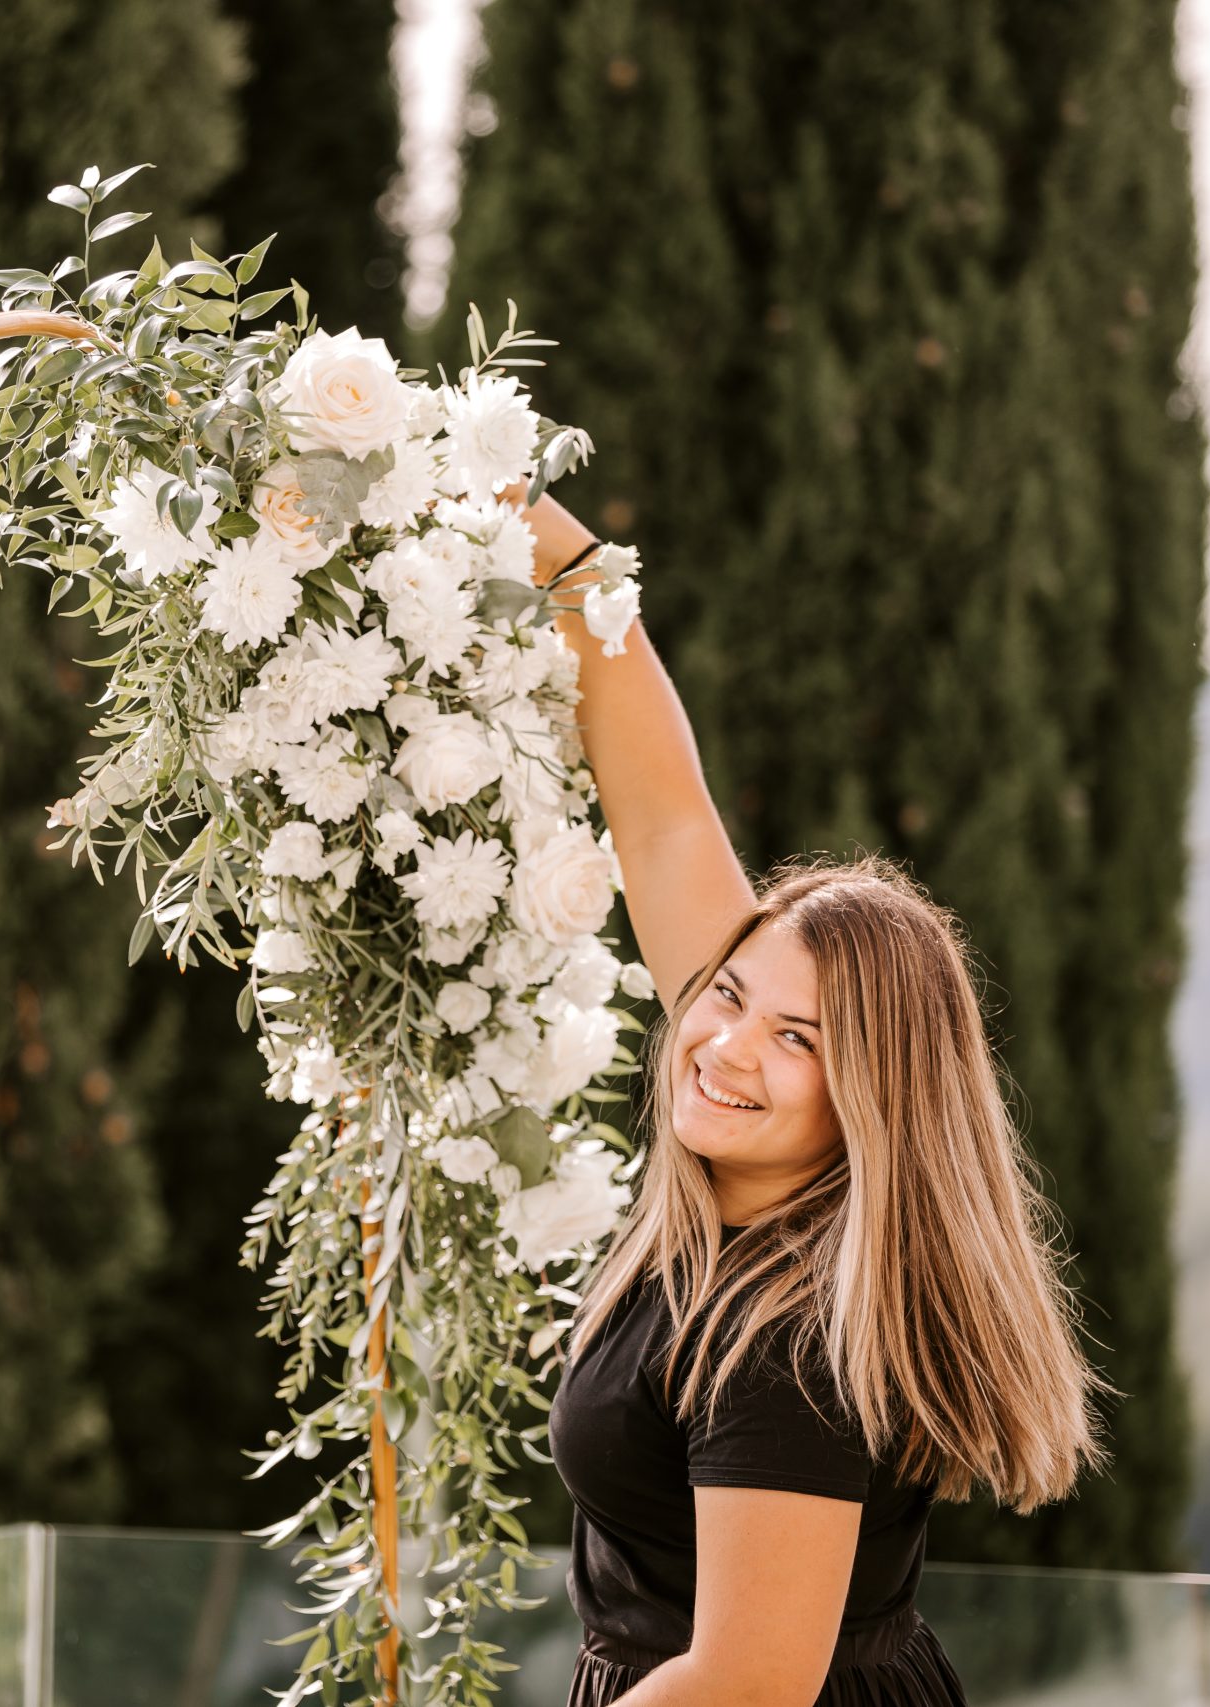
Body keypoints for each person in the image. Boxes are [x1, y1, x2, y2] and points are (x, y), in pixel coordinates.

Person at [499, 483, 1115, 1707]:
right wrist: (521, 514)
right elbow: (661, 819)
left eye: (798, 1039)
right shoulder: (742, 1178)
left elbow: (746, 1679)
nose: (725, 1046)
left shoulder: (788, 1347)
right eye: (726, 993)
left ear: (872, 1103)